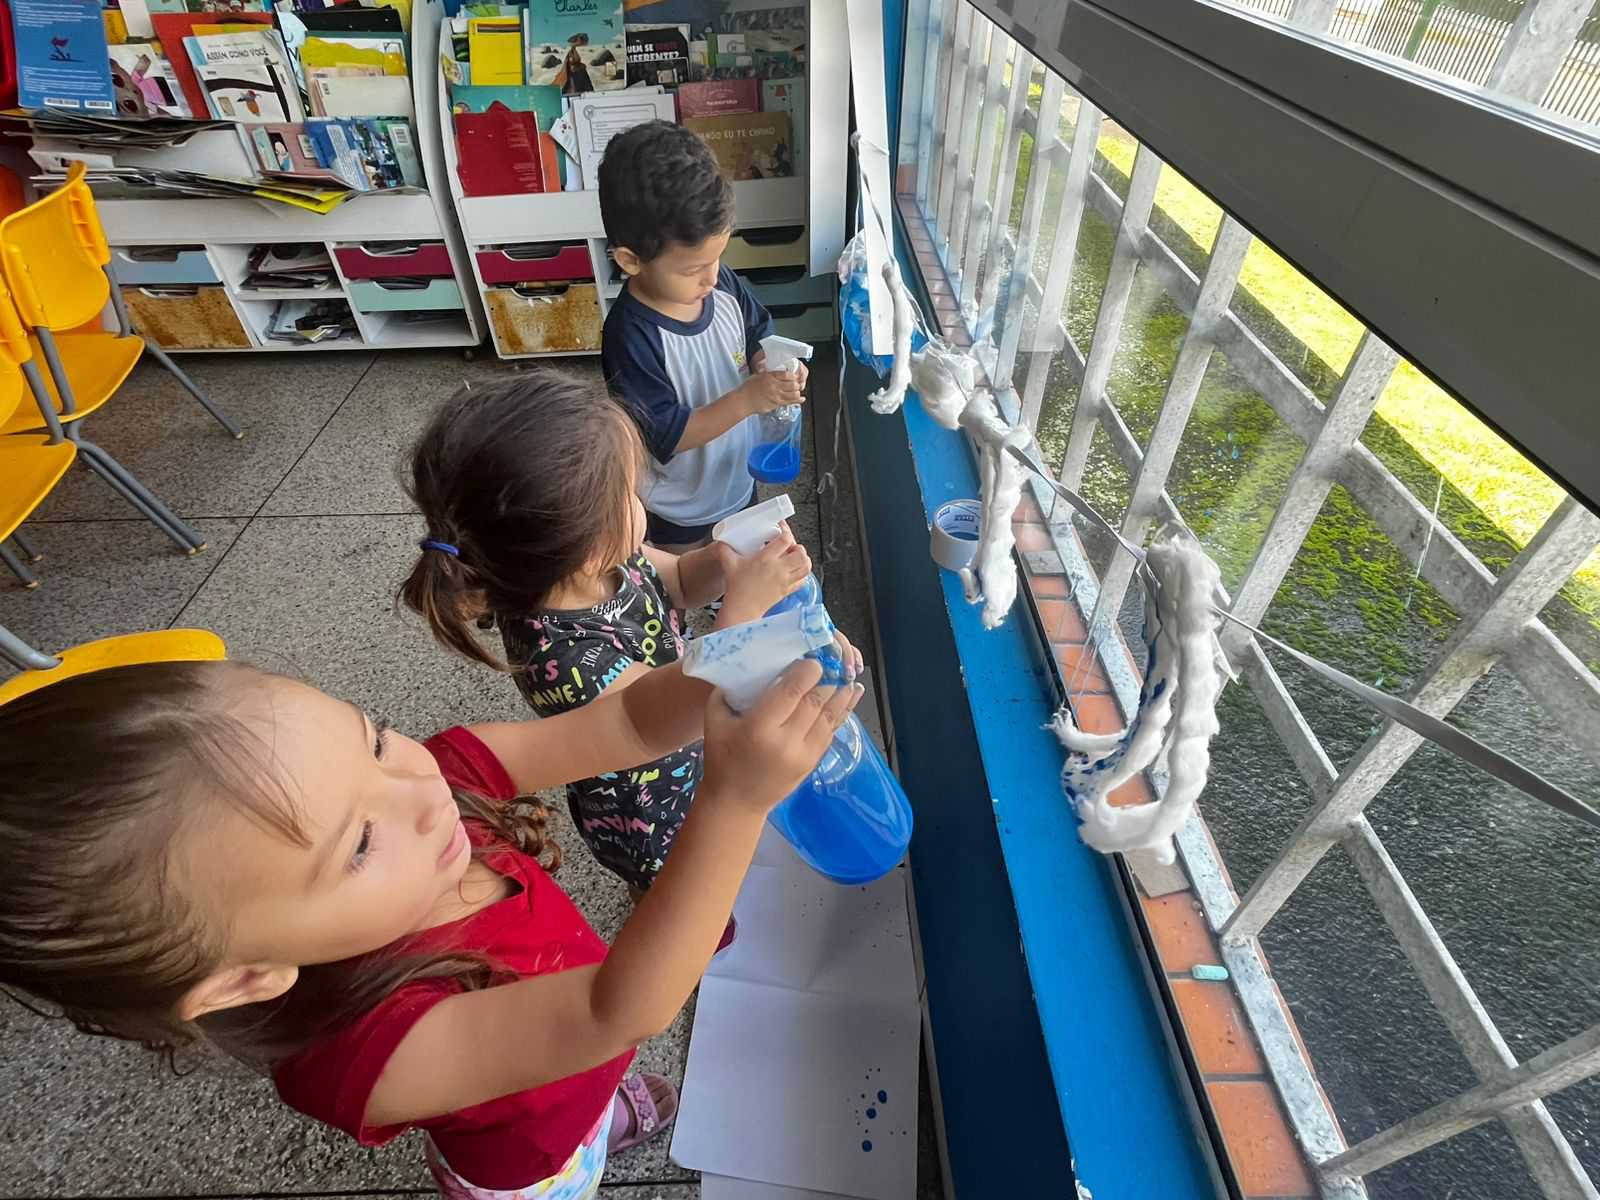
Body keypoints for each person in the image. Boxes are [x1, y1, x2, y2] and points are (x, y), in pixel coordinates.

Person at [0, 650, 859, 1199]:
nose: (418, 788)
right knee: (568, 1141)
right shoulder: (364, 1055)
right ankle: (592, 1133)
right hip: (530, 1167)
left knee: (594, 1079)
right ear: (248, 974)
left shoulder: (432, 781)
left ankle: (606, 1105)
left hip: (579, 1057)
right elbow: (613, 1010)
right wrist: (734, 801)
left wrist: (726, 670)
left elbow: (626, 722)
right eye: (358, 844)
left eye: (373, 738)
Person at [400, 374, 859, 912]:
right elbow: (678, 707)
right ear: (589, 546)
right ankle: (657, 908)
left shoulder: (614, 559)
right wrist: (746, 608)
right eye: (630, 495)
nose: (641, 504)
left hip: (696, 758)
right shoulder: (559, 656)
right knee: (673, 884)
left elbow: (681, 579)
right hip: (649, 807)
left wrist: (724, 562)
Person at [598, 121, 808, 550]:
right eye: (693, 268)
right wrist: (748, 399)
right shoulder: (630, 337)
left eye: (718, 257)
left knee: (738, 561)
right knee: (690, 576)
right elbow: (669, 435)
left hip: (737, 480)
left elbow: (757, 332)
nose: (712, 277)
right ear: (631, 261)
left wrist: (770, 366)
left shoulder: (720, 283)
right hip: (682, 508)